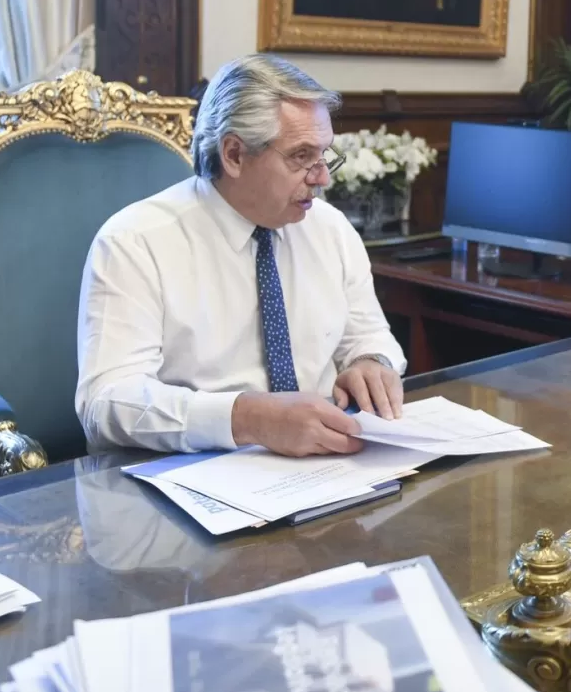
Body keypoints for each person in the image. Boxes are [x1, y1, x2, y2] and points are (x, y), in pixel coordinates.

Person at [76, 54, 407, 457]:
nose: (323, 177)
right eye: (302, 157)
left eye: (325, 155)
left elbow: (369, 336)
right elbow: (107, 400)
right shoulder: (135, 242)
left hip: (325, 469)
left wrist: (373, 363)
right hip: (186, 479)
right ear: (233, 154)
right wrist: (247, 419)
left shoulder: (329, 228)